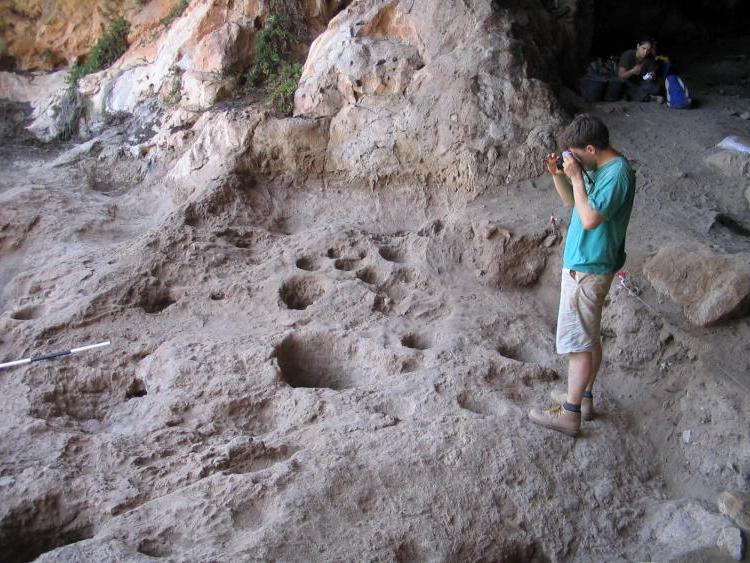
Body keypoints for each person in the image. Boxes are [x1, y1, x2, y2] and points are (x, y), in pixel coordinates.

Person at [529, 114, 636, 437]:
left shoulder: (617, 174)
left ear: (591, 148)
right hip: (585, 263)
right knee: (588, 339)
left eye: (576, 154)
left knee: (578, 344)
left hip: (590, 267)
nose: (572, 159)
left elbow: (589, 219)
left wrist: (576, 177)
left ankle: (570, 414)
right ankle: (583, 398)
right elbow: (573, 204)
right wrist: (559, 176)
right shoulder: (601, 168)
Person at [618, 37, 660, 101]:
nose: (645, 52)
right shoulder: (628, 54)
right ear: (638, 46)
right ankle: (649, 97)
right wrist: (632, 71)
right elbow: (620, 76)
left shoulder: (650, 57)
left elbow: (650, 74)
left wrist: (650, 75)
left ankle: (637, 95)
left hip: (640, 83)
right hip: (628, 81)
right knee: (624, 85)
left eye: (648, 50)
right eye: (643, 48)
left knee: (656, 87)